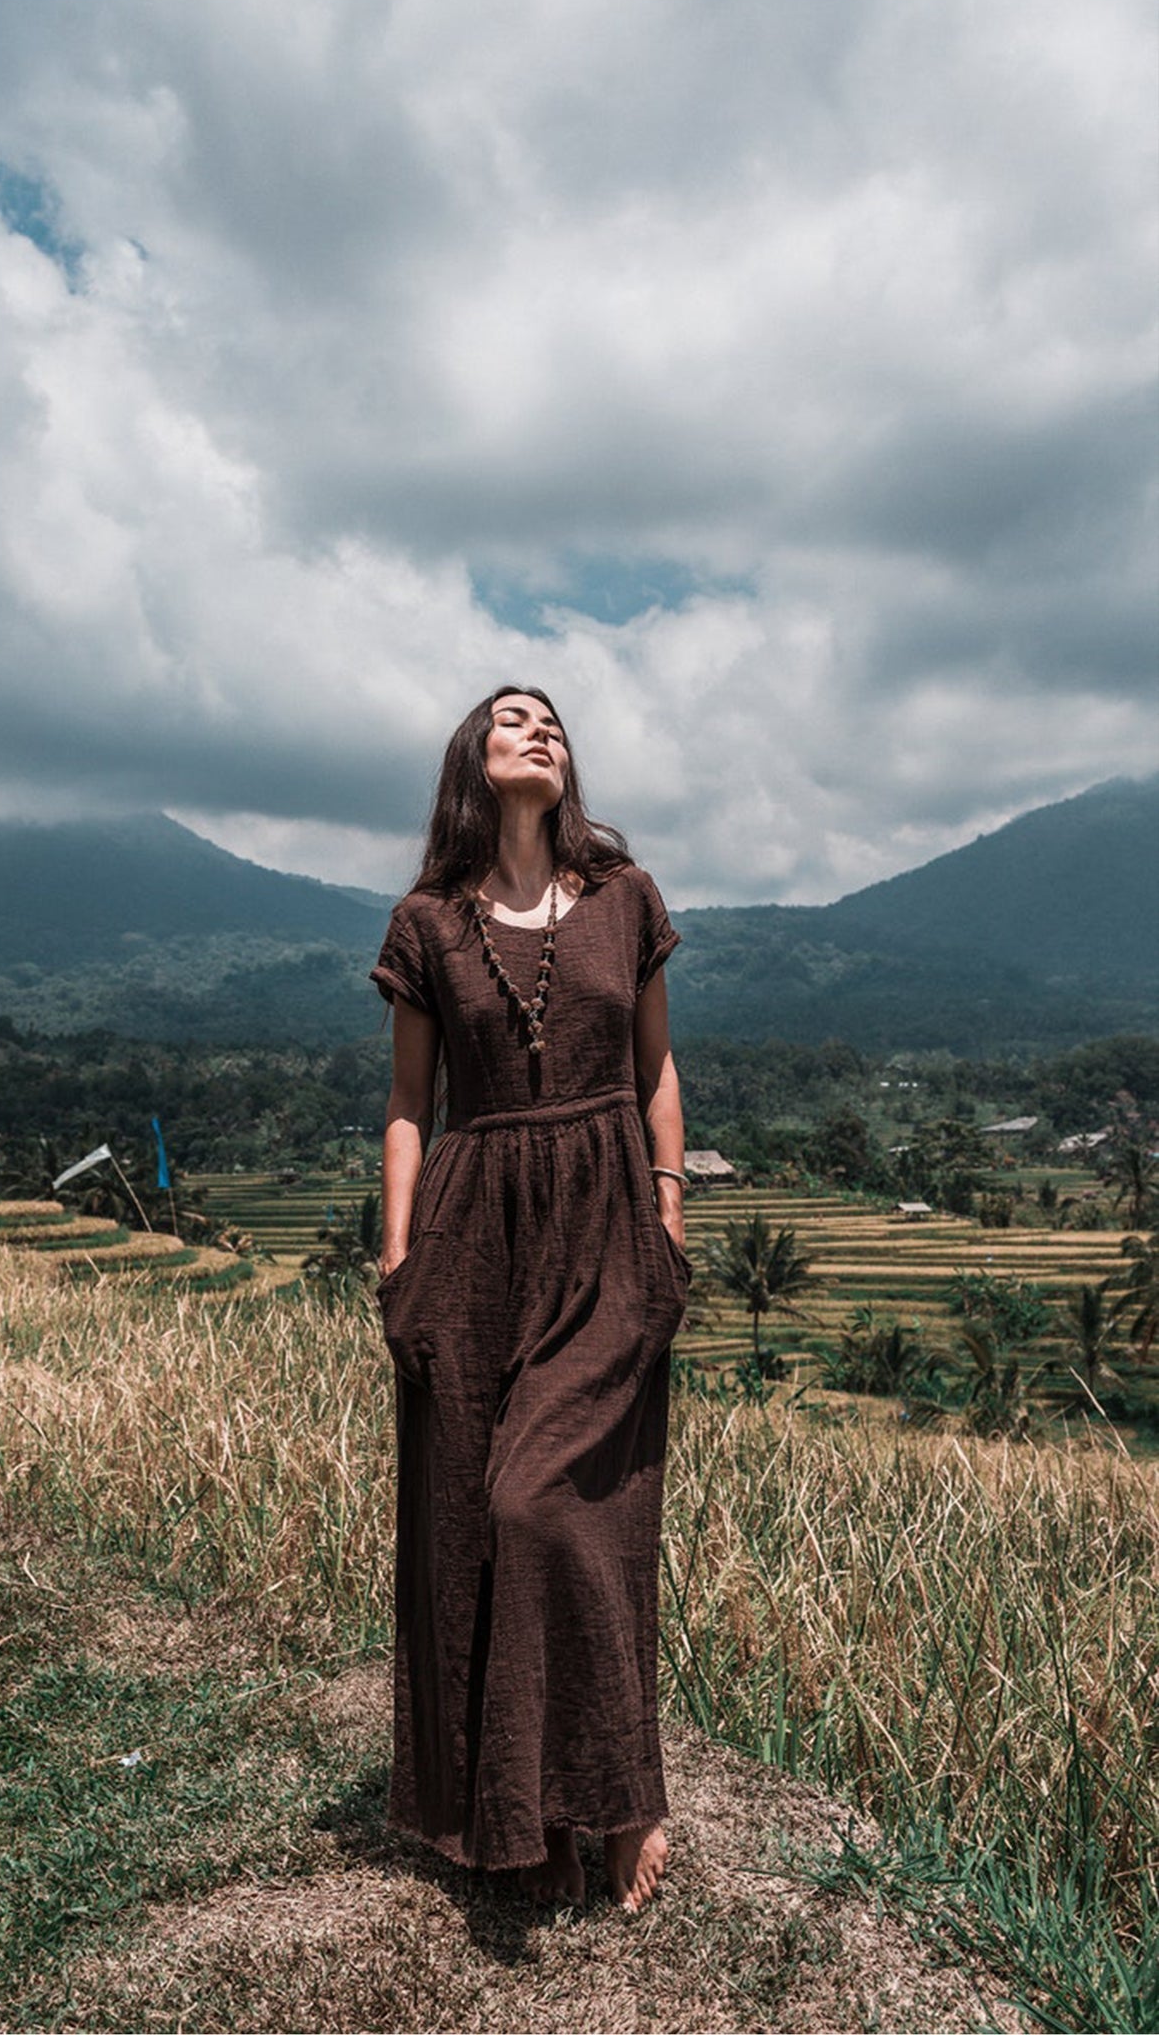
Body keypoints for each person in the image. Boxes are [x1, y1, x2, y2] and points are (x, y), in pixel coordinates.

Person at [370, 685, 692, 1912]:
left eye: (552, 717)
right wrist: (398, 1259)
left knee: (551, 1505)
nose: (539, 727)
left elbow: (656, 1066)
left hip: (607, 1223)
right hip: (472, 1237)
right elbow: (411, 1105)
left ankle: (621, 1794)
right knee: (467, 1520)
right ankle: (512, 1807)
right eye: (512, 715)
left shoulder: (626, 898)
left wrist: (668, 1206)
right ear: (474, 757)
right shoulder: (427, 924)